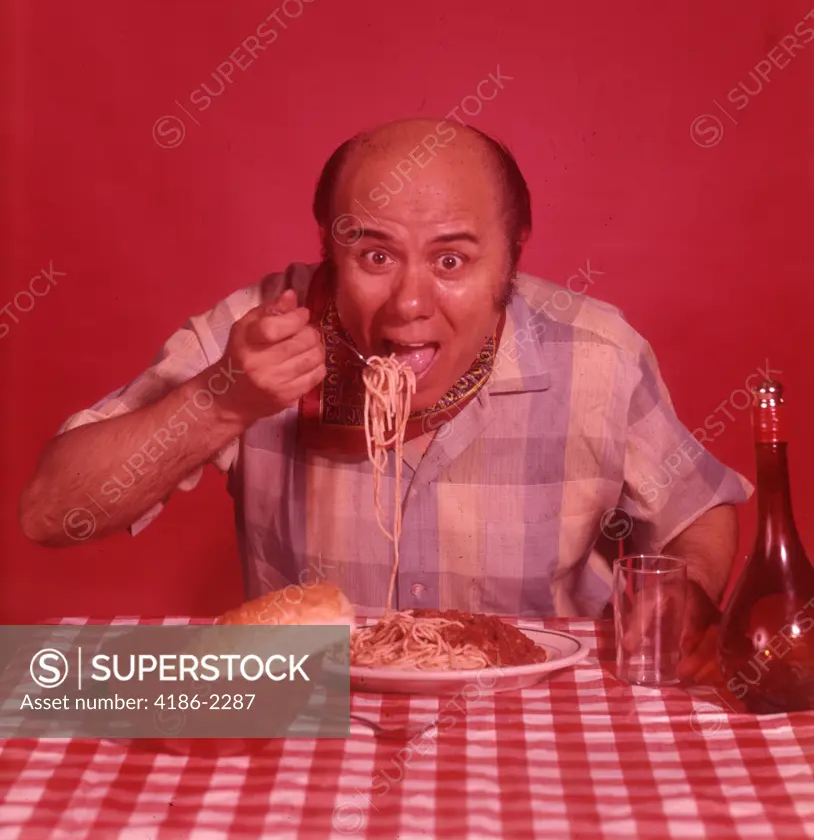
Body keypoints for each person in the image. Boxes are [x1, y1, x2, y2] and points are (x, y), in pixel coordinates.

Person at [19, 118, 751, 678]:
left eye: (452, 260)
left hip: (534, 714)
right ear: (328, 250)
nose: (408, 303)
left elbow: (699, 506)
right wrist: (223, 400)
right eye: (373, 256)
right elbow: (52, 513)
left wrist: (689, 589)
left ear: (514, 255)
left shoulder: (597, 354)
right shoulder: (260, 331)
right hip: (318, 711)